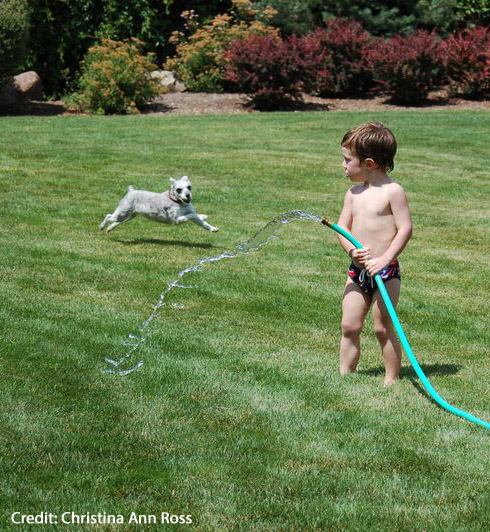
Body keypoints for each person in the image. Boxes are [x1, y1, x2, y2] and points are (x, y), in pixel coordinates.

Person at [336, 122, 412, 386]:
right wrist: (352, 251)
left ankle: (390, 381)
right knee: (350, 326)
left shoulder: (393, 192)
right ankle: (345, 377)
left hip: (386, 273)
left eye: (347, 160)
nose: (343, 165)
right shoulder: (353, 194)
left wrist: (384, 260)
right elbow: (341, 228)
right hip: (357, 273)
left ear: (369, 163)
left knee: (382, 328)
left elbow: (405, 229)